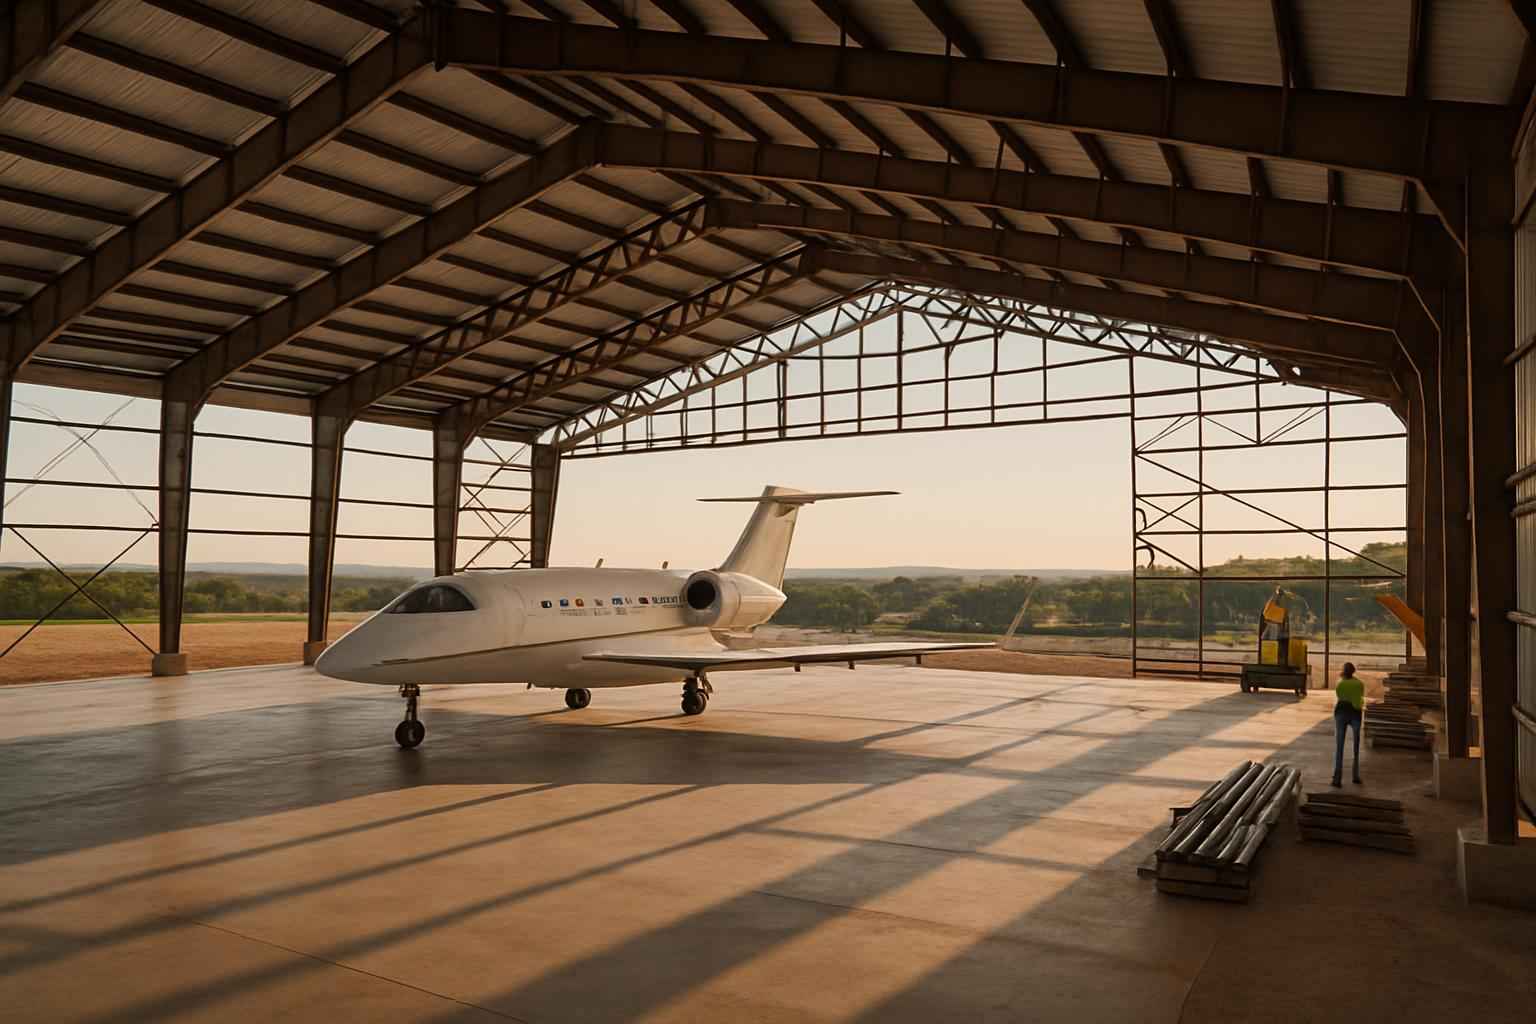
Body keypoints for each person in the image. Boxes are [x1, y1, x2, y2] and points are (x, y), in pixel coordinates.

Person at [1332, 662, 1365, 787]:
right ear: (1353, 671)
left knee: (1339, 746)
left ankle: (1337, 778)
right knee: (1356, 747)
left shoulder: (1340, 683)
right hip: (1355, 714)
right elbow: (1360, 699)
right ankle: (1355, 776)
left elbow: (1339, 696)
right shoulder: (1359, 684)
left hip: (1341, 713)